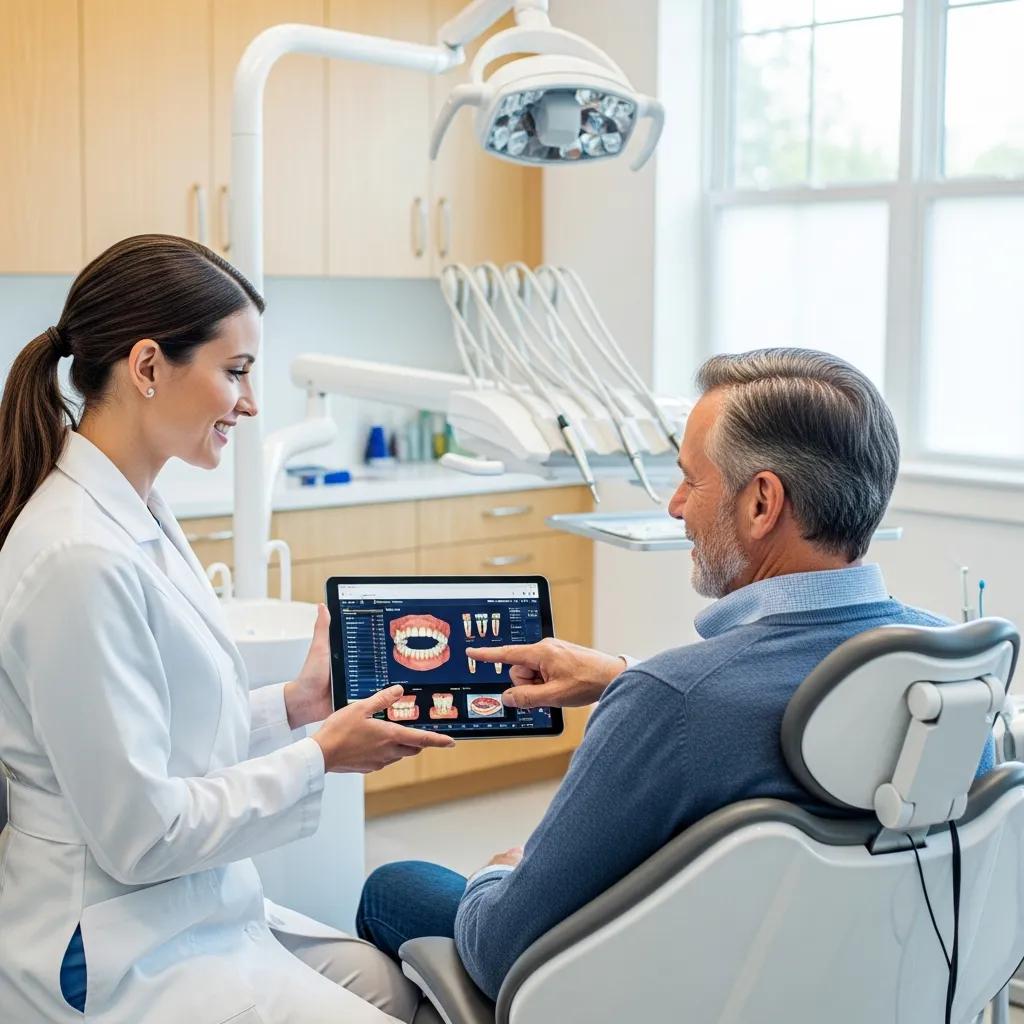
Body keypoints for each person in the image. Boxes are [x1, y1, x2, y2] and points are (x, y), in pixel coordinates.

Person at [355, 347, 996, 1001]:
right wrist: (629, 679)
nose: (675, 505)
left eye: (691, 480)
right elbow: (766, 708)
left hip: (658, 999)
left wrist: (500, 875)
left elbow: (502, 953)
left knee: (395, 886)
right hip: (859, 994)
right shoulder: (953, 673)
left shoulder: (671, 704)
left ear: (762, 502)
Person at [0, 235, 455, 1024]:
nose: (249, 403)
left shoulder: (135, 510)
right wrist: (321, 755)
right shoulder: (77, 557)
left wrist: (297, 704)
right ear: (148, 367)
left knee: (394, 988)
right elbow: (142, 835)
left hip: (184, 910)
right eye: (236, 370)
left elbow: (163, 730)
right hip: (111, 947)